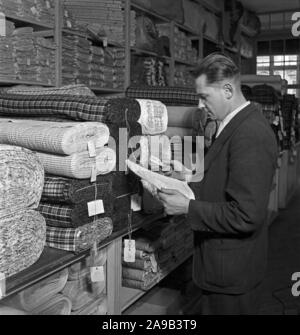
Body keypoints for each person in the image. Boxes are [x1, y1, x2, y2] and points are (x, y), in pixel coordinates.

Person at [157, 53, 278, 315]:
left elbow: (247, 215)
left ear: (227, 90)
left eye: (204, 97)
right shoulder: (234, 125)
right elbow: (224, 181)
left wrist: (187, 207)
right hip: (225, 268)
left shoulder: (250, 134)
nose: (200, 105)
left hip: (233, 273)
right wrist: (188, 180)